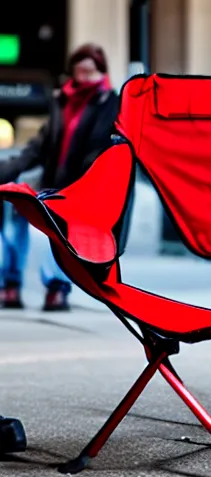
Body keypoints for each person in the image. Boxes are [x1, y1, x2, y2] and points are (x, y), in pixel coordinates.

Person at [0, 43, 119, 311]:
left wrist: (84, 186)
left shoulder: (109, 102)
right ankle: (10, 284)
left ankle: (56, 288)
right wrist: (9, 169)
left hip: (80, 186)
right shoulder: (62, 100)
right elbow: (40, 145)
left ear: (101, 72)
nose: (84, 77)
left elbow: (100, 148)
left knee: (61, 236)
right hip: (52, 181)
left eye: (90, 71)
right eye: (80, 70)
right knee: (12, 213)